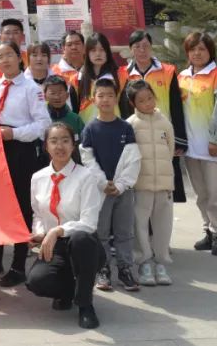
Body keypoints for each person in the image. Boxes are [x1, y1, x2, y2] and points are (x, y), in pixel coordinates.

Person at [0, 41, 51, 287]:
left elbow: (42, 124)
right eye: (0, 56)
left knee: (20, 207)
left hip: (21, 149)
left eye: (9, 55)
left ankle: (18, 264)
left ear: (20, 58)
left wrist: (13, 134)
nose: (5, 60)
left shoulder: (31, 88)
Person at [25, 122, 107, 330]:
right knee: (36, 281)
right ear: (46, 146)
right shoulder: (38, 178)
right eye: (53, 141)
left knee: (80, 239)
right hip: (55, 244)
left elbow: (89, 223)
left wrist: (57, 230)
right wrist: (39, 234)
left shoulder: (86, 176)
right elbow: (38, 214)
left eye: (65, 141)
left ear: (73, 145)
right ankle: (69, 291)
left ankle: (85, 304)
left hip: (85, 244)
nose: (59, 146)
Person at [79, 80, 141, 293]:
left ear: (116, 98)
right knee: (101, 232)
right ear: (94, 99)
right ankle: (102, 269)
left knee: (124, 231)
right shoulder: (90, 129)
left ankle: (125, 268)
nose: (105, 100)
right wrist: (103, 183)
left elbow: (133, 159)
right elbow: (87, 160)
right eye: (101, 95)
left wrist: (121, 185)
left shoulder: (126, 128)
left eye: (109, 95)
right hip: (100, 191)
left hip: (123, 191)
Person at [178, 31, 217, 257]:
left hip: (214, 147)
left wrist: (216, 139)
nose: (197, 53)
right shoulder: (182, 77)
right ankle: (208, 229)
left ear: (210, 52)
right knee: (201, 193)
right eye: (193, 49)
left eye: (202, 49)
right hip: (191, 148)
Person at [120, 30, 187, 203]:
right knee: (140, 181)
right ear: (130, 49)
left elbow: (176, 105)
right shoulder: (123, 74)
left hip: (163, 134)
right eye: (137, 47)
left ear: (151, 48)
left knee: (166, 183)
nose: (142, 50)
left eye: (146, 46)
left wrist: (179, 138)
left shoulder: (168, 71)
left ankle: (164, 223)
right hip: (137, 134)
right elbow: (122, 107)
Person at [124, 80, 175, 287]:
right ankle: (144, 262)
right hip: (141, 184)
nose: (147, 103)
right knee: (140, 224)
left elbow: (170, 150)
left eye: (150, 98)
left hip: (163, 183)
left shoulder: (165, 122)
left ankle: (161, 262)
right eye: (142, 100)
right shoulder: (130, 124)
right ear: (132, 103)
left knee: (163, 225)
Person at [72, 32, 121, 124]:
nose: (98, 54)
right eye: (93, 50)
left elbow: (125, 106)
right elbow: (75, 108)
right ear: (87, 53)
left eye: (102, 50)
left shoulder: (119, 76)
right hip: (87, 128)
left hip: (114, 126)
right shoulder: (78, 78)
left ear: (107, 52)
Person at [43, 75, 84, 161]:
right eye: (52, 93)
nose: (57, 97)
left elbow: (83, 146)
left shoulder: (75, 119)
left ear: (67, 95)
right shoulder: (41, 119)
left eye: (60, 92)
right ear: (45, 96)